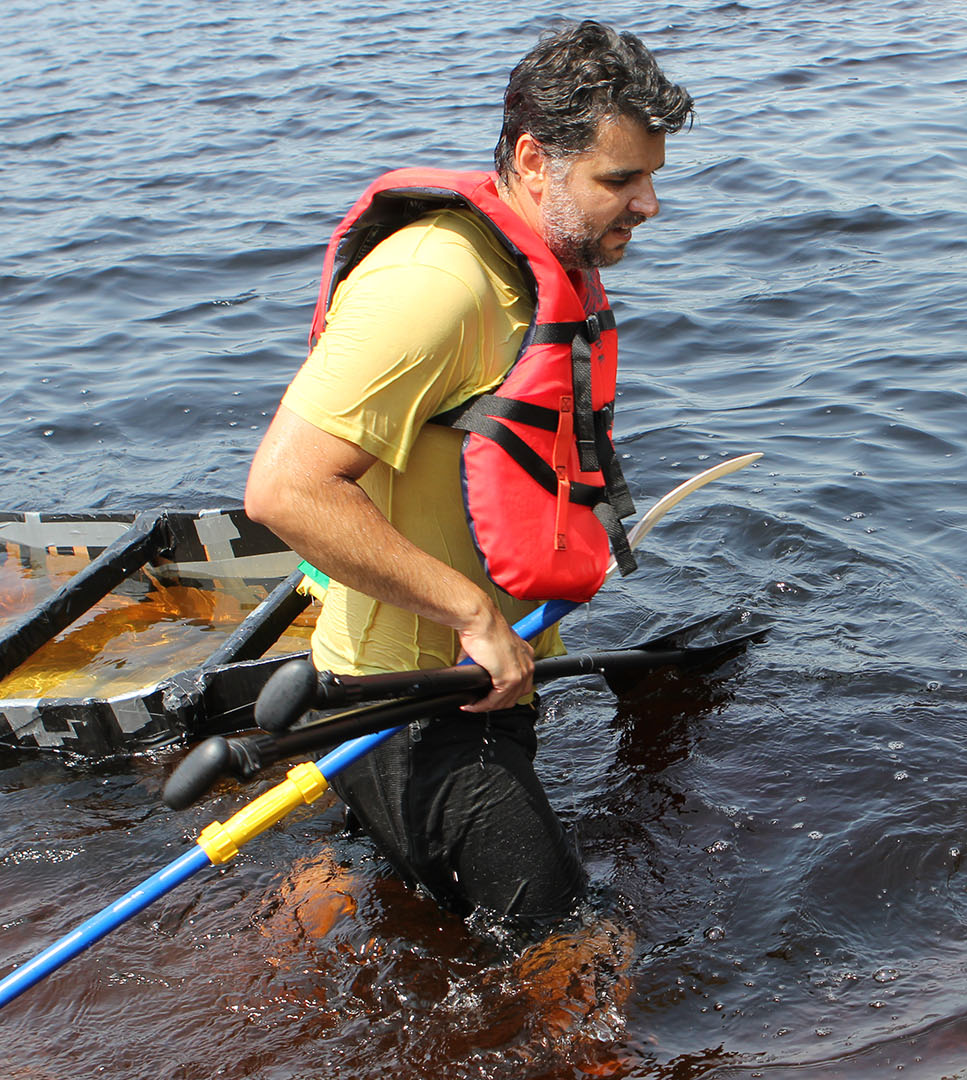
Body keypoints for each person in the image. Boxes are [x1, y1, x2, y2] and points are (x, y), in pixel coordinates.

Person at [244, 21, 693, 938]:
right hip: (410, 703)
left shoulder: (532, 270)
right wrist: (475, 615)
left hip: (471, 682)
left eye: (651, 177)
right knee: (574, 959)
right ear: (533, 160)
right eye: (620, 179)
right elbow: (285, 489)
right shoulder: (435, 284)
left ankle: (321, 899)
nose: (648, 204)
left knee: (404, 926)